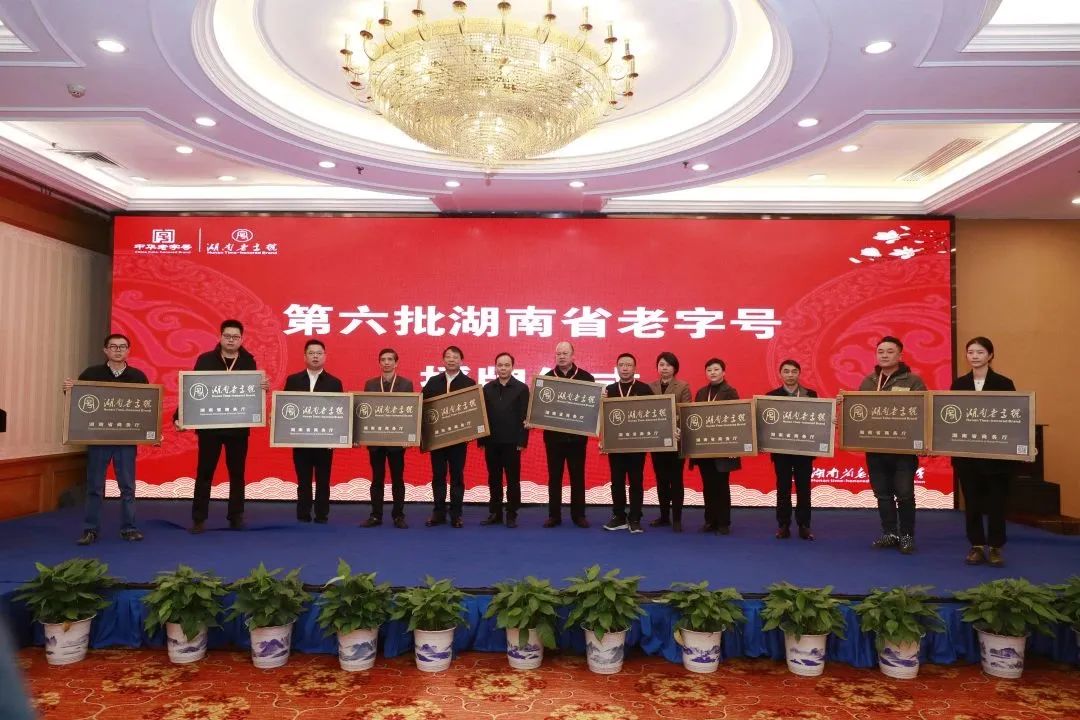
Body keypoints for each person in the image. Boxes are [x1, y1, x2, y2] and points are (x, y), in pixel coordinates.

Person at [178, 319, 269, 534]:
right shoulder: (206, 360)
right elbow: (192, 391)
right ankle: (199, 518)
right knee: (205, 472)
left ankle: (236, 516)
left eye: (235, 337)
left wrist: (262, 389)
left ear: (241, 339)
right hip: (210, 428)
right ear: (220, 337)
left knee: (237, 473)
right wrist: (180, 416)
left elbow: (251, 395)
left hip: (238, 428)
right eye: (227, 336)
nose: (231, 340)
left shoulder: (248, 362)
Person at [63, 333, 149, 545]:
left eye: (122, 347)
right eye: (113, 346)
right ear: (105, 350)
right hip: (98, 439)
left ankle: (129, 528)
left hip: (126, 441)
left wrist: (151, 432)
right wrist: (69, 390)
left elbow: (147, 408)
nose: (118, 350)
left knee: (127, 487)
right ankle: (90, 530)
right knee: (94, 486)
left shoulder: (138, 376)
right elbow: (79, 402)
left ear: (128, 350)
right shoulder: (91, 373)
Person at [856, 335, 927, 554]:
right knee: (882, 494)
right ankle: (890, 533)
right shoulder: (868, 381)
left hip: (903, 451)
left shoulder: (912, 381)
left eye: (890, 351)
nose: (884, 355)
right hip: (875, 448)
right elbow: (858, 412)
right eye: (880, 352)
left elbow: (923, 413)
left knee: (904, 494)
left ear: (900, 355)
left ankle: (907, 535)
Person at [952, 336, 1016, 567]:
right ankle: (977, 545)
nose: (975, 356)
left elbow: (1014, 418)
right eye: (970, 352)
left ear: (990, 355)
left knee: (997, 503)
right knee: (973, 502)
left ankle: (996, 546)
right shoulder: (959, 384)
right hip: (967, 456)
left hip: (996, 457)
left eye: (980, 352)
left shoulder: (1004, 383)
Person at [283, 339, 343, 524]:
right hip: (300, 438)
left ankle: (322, 514)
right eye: (311, 353)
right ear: (305, 356)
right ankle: (303, 512)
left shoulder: (334, 383)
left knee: (323, 479)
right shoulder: (293, 380)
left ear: (325, 356)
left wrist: (336, 438)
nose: (315, 356)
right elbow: (285, 408)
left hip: (325, 440)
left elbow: (340, 412)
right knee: (303, 479)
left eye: (319, 353)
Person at [541, 341, 595, 528]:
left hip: (577, 439)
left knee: (577, 477)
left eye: (565, 353)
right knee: (554, 477)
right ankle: (554, 515)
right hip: (554, 439)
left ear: (573, 355)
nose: (562, 356)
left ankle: (578, 515)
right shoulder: (547, 379)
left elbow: (592, 409)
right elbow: (540, 410)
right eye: (559, 354)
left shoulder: (586, 378)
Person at [422, 345, 476, 528]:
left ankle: (456, 514)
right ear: (443, 360)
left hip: (458, 440)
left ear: (461, 360)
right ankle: (438, 513)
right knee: (438, 476)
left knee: (457, 477)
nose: (451, 359)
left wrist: (471, 432)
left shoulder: (469, 383)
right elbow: (423, 408)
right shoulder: (433, 382)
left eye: (455, 357)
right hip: (437, 440)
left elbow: (474, 412)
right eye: (448, 356)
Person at [765, 359, 818, 540]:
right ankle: (783, 525)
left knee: (804, 489)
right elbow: (766, 423)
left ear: (799, 373)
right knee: (783, 488)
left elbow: (818, 420)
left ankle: (804, 525)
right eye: (786, 371)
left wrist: (829, 421)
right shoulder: (771, 396)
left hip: (804, 451)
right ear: (780, 374)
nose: (790, 375)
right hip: (781, 452)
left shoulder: (811, 395)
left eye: (794, 371)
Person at [361, 348, 414, 529]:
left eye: (390, 359)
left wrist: (409, 436)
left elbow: (411, 413)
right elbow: (365, 412)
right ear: (379, 362)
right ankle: (376, 515)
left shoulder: (406, 384)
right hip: (375, 441)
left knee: (397, 480)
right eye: (383, 359)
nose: (386, 362)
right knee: (377, 479)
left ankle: (398, 516)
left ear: (396, 363)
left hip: (397, 441)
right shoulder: (370, 384)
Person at [602, 353, 654, 533]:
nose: (625, 368)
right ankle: (619, 516)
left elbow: (653, 415)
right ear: (617, 368)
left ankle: (635, 518)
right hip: (615, 445)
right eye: (621, 365)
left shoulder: (644, 389)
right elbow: (602, 418)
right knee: (616, 482)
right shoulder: (609, 390)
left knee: (636, 481)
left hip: (637, 445)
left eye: (628, 365)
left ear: (634, 368)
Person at [478, 352, 530, 528]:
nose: (503, 368)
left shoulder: (521, 388)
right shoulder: (487, 388)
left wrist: (522, 441)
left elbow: (525, 417)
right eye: (500, 365)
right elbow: (481, 416)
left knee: (513, 480)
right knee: (494, 479)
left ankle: (512, 513)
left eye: (507, 365)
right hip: (492, 441)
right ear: (495, 367)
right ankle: (495, 513)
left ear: (512, 367)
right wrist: (482, 440)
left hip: (512, 443)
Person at [690, 358, 741, 535]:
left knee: (721, 485)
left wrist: (735, 446)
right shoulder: (701, 392)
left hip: (723, 448)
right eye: (709, 370)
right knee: (708, 486)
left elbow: (737, 420)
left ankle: (723, 523)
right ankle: (710, 520)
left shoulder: (730, 392)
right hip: (704, 448)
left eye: (716, 369)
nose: (713, 372)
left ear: (723, 372)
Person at [647, 351, 691, 532]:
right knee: (661, 480)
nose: (664, 368)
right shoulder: (650, 387)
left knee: (676, 480)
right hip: (657, 441)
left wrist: (678, 427)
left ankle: (677, 518)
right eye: (661, 364)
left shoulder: (683, 386)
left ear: (675, 368)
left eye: (668, 365)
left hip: (676, 441)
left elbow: (686, 412)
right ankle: (664, 516)